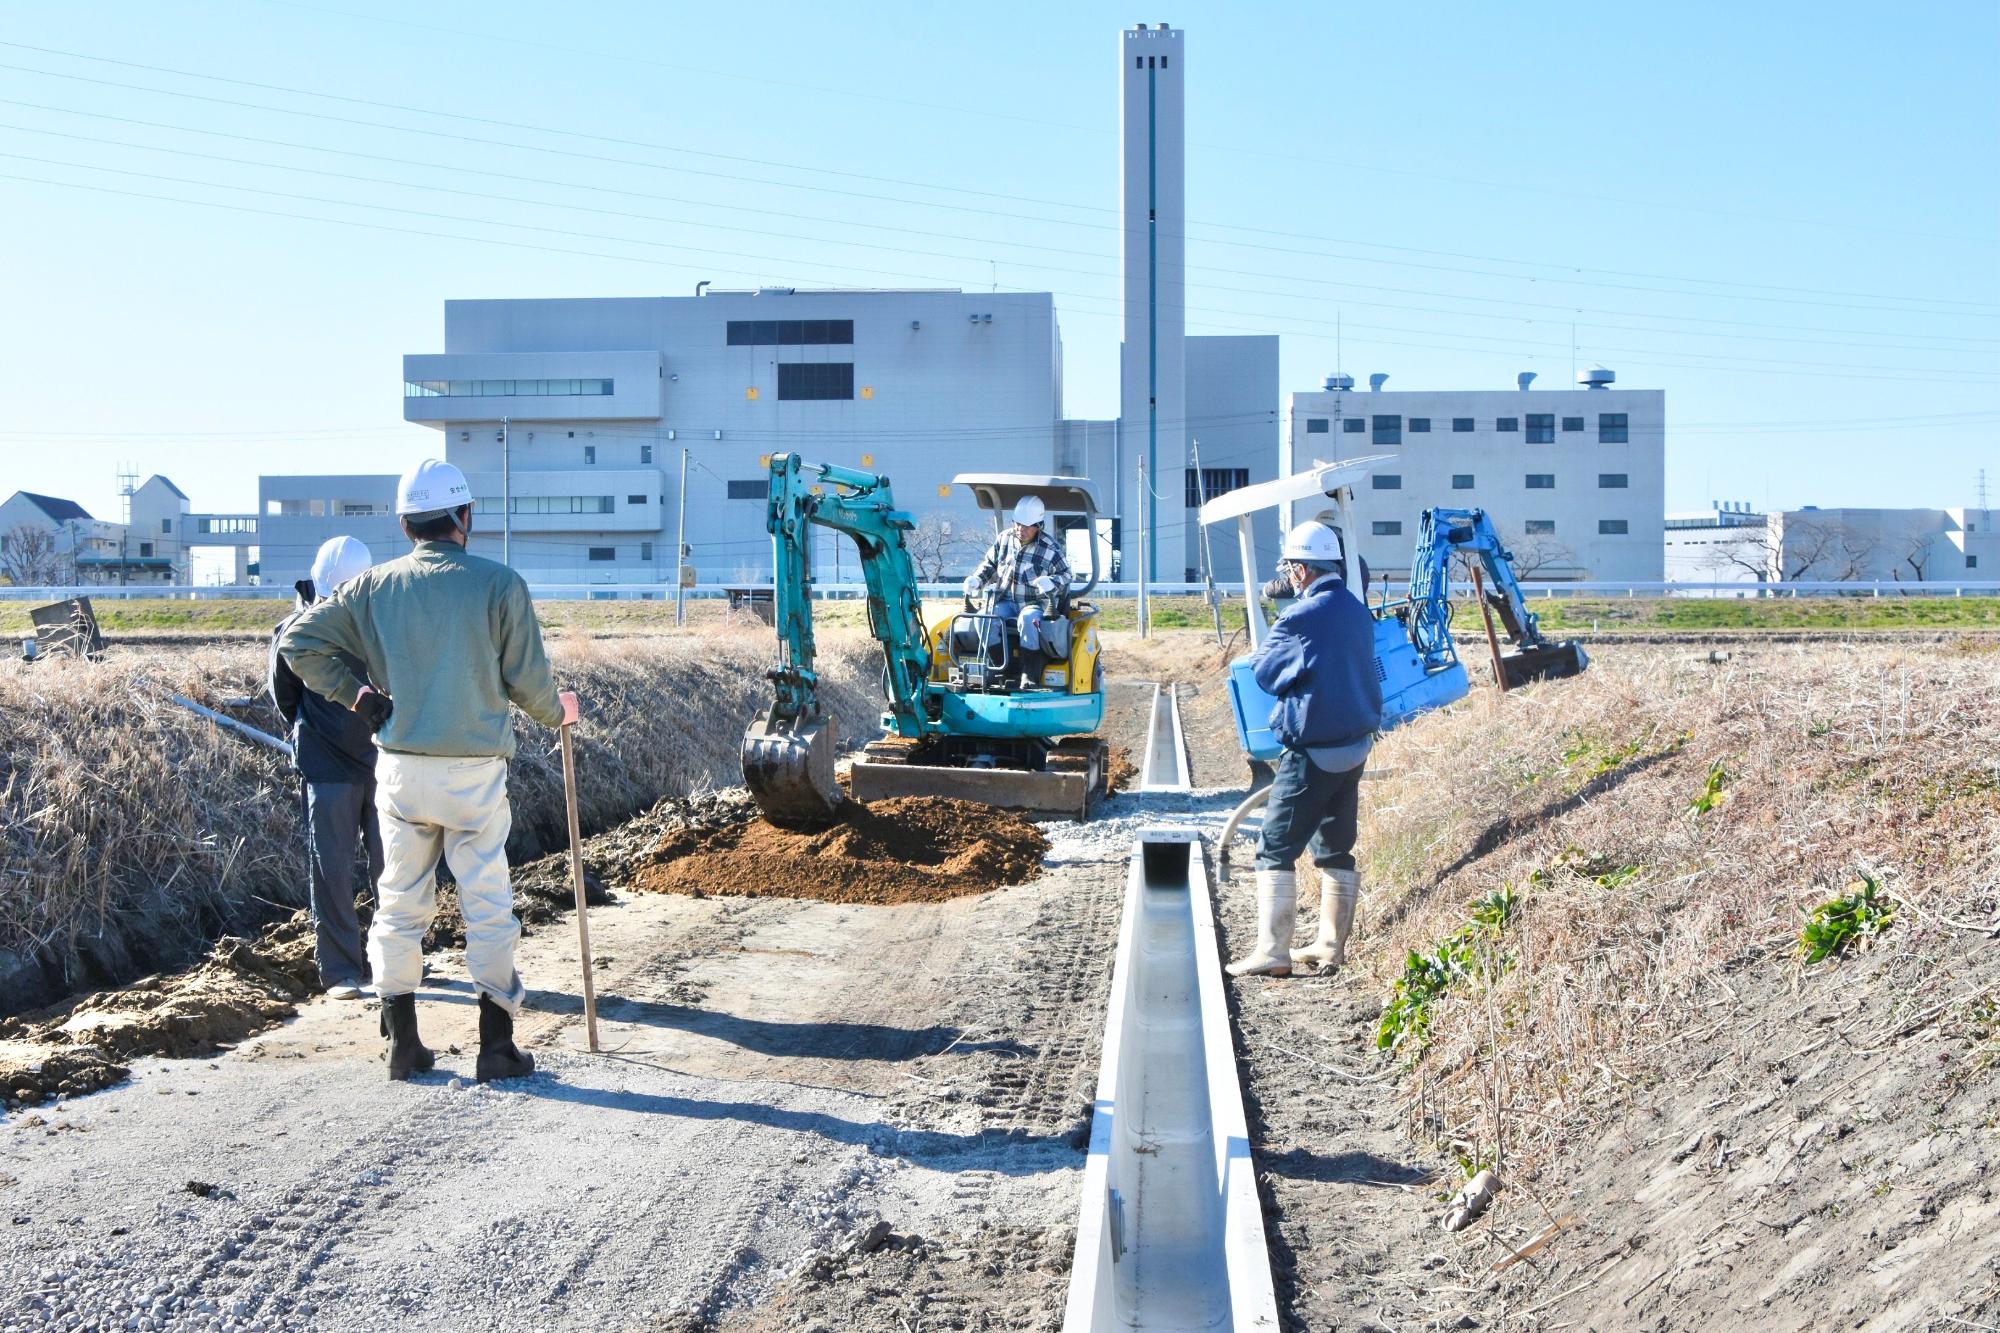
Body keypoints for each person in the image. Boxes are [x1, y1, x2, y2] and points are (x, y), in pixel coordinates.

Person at [279, 459, 579, 1083]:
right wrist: (559, 712)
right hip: (474, 771)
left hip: (401, 768)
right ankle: (496, 1047)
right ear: (465, 517)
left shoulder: (373, 588)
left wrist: (357, 695)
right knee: (488, 902)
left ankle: (403, 1043)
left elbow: (298, 644)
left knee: (399, 901)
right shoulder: (500, 585)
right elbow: (530, 686)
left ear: (405, 522)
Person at [1227, 520, 1384, 978]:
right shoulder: (1357, 610)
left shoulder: (1299, 617)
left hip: (1311, 750)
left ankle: (1273, 953)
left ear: (1300, 569)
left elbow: (1266, 674)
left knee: (1274, 847)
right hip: (1354, 746)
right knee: (1335, 848)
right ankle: (1329, 946)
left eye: (1291, 569)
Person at [269, 536, 380, 1001]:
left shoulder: (373, 628)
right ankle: (343, 970)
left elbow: (285, 701)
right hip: (342, 763)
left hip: (372, 761)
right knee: (347, 866)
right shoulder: (298, 629)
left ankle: (375, 964)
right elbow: (285, 695)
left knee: (381, 867)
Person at [963, 496, 1073, 686]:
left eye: (1027, 526)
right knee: (983, 618)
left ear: (1039, 525)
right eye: (1018, 524)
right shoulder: (1004, 539)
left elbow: (1067, 575)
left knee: (1028, 619)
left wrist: (1052, 581)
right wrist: (977, 579)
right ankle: (1000, 669)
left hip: (1035, 604)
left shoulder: (1051, 549)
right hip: (1005, 601)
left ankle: (1029, 674)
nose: (1021, 530)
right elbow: (989, 564)